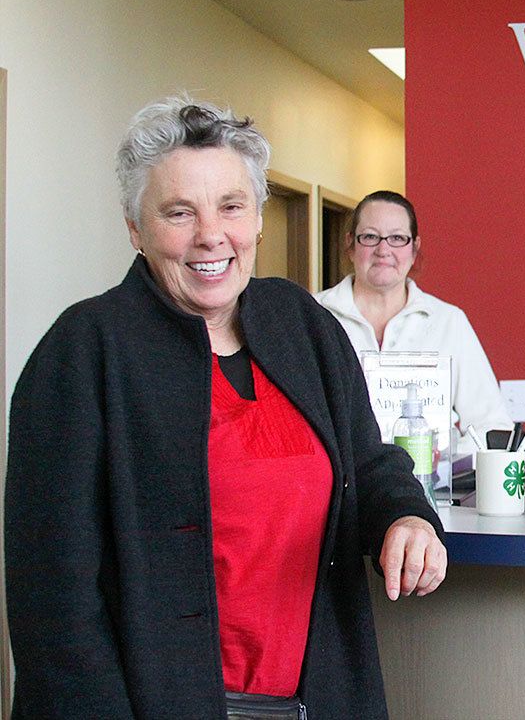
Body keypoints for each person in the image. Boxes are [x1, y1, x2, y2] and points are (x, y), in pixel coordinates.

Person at [5, 98, 446, 719]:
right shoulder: (83, 352)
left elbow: (369, 463)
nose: (211, 235)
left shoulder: (303, 326)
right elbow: (53, 600)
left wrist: (406, 517)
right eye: (178, 212)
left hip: (317, 700)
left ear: (259, 219)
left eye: (232, 206)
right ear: (135, 228)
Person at [315, 190, 512, 439]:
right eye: (370, 237)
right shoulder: (312, 316)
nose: (383, 250)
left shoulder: (448, 322)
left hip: (432, 477)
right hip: (340, 477)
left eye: (397, 238)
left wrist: (449, 461)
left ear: (414, 248)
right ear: (350, 245)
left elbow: (492, 426)